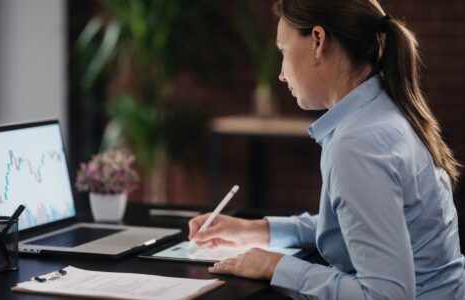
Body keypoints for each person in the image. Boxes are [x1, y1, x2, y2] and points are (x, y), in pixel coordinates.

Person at [188, 0, 465, 299]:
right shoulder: (384, 112)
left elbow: (387, 295)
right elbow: (366, 225)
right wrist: (255, 230)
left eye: (283, 50)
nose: (281, 74)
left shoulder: (358, 144)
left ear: (318, 41)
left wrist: (276, 265)